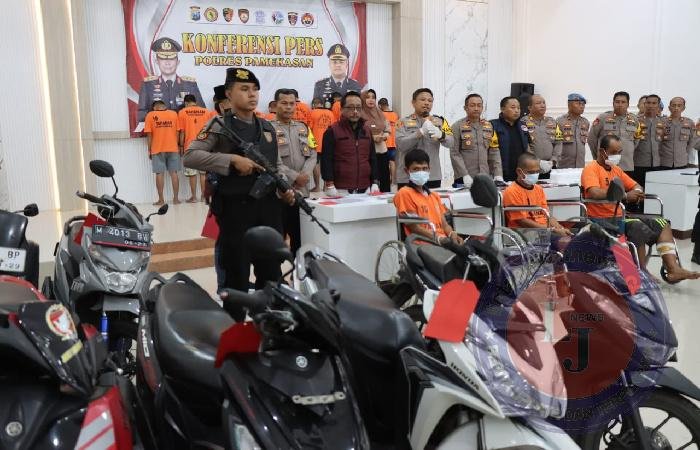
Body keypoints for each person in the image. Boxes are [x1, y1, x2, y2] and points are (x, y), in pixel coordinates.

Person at [183, 68, 295, 310]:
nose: (252, 95)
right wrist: (231, 160)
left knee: (271, 276)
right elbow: (190, 156)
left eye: (255, 89)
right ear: (229, 94)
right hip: (236, 212)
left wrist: (284, 187)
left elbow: (275, 164)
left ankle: (269, 326)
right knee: (237, 278)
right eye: (244, 89)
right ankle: (235, 329)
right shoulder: (219, 126)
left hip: (269, 211)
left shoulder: (267, 127)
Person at [581, 134, 699, 282]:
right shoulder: (591, 169)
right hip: (602, 219)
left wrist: (636, 192)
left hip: (621, 216)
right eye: (613, 152)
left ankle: (673, 269)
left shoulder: (616, 170)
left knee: (663, 224)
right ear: (602, 151)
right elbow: (594, 192)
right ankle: (642, 273)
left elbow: (636, 186)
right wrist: (625, 195)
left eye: (619, 152)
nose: (617, 155)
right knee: (637, 227)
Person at [271, 88, 317, 254]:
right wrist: (295, 177)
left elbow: (313, 153)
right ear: (275, 105)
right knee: (277, 242)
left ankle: (298, 270)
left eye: (292, 103)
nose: (289, 107)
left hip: (302, 193)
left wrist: (305, 175)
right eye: (284, 103)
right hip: (279, 194)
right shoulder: (268, 129)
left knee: (301, 240)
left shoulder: (304, 128)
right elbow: (272, 161)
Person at [393, 149, 463, 245]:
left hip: (443, 242)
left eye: (424, 168)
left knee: (473, 248)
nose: (421, 172)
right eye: (416, 169)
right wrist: (438, 239)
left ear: (429, 169)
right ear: (407, 171)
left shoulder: (434, 196)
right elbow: (415, 227)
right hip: (423, 245)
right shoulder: (404, 193)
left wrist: (452, 234)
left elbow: (445, 225)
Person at [321, 91, 379, 195]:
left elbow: (373, 158)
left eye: (358, 108)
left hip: (365, 188)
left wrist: (375, 181)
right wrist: (329, 184)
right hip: (340, 189)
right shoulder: (332, 131)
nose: (355, 111)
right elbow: (326, 160)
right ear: (342, 109)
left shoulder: (367, 131)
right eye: (351, 108)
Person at [395, 88, 454, 189]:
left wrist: (441, 135)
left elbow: (451, 143)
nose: (427, 103)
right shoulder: (402, 122)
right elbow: (401, 145)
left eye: (430, 101)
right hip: (408, 176)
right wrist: (420, 132)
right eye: (422, 99)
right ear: (413, 102)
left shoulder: (440, 122)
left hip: (432, 176)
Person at [502, 154, 571, 236]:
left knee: (573, 237)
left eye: (537, 172)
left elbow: (547, 214)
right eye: (531, 172)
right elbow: (522, 221)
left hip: (544, 231)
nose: (535, 175)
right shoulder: (511, 191)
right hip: (526, 234)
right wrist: (551, 230)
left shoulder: (538, 189)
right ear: (519, 172)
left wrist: (559, 228)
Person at [137, 37, 204, 122]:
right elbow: (141, 114)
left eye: (171, 58)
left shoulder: (190, 85)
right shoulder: (148, 85)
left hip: (184, 128)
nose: (167, 63)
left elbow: (201, 111)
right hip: (160, 128)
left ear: (177, 62)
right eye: (163, 58)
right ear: (157, 61)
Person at [450, 93, 502, 187]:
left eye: (479, 105)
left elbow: (494, 151)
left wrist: (498, 174)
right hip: (464, 178)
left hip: (485, 176)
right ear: (465, 108)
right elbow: (454, 153)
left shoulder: (489, 126)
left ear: (482, 108)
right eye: (472, 105)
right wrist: (464, 174)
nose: (476, 108)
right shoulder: (457, 126)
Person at [588, 91, 642, 174]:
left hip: (626, 165)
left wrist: (628, 150)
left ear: (628, 104)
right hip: (606, 164)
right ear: (613, 103)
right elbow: (591, 139)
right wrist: (598, 156)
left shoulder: (634, 120)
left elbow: (636, 140)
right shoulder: (603, 118)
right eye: (617, 102)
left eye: (623, 102)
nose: (620, 104)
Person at [178, 95, 217, 202]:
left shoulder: (182, 112)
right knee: (203, 173)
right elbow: (211, 131)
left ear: (186, 103)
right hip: (205, 145)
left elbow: (182, 132)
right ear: (195, 101)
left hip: (190, 146)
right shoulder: (206, 112)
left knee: (192, 174)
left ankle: (194, 197)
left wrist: (181, 146)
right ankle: (204, 196)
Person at [144, 100, 182, 205]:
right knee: (174, 173)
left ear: (155, 107)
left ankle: (161, 200)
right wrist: (176, 144)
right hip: (173, 147)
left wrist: (149, 149)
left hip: (157, 148)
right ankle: (176, 199)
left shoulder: (150, 115)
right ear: (164, 106)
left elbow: (149, 135)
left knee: (159, 173)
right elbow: (178, 132)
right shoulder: (174, 114)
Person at [520, 94, 562, 178]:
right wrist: (537, 162)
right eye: (538, 103)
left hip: (551, 166)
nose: (542, 105)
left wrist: (553, 160)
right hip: (532, 167)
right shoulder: (523, 122)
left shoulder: (552, 121)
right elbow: (524, 144)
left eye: (544, 103)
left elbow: (559, 142)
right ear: (529, 107)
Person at [491, 96, 529, 182]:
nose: (517, 110)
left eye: (518, 108)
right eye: (513, 107)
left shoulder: (523, 125)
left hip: (521, 173)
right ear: (503, 109)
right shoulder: (493, 125)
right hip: (501, 173)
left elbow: (528, 147)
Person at [361, 89, 391, 192]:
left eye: (373, 97)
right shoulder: (360, 114)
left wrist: (384, 136)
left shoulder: (380, 113)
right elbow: (358, 132)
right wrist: (373, 138)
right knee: (370, 178)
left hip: (382, 150)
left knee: (384, 176)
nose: (371, 100)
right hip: (366, 152)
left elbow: (387, 129)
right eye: (367, 97)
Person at [633, 94, 663, 188]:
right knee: (639, 192)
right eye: (648, 103)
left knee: (655, 191)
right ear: (644, 104)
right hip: (639, 164)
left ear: (658, 106)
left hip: (657, 164)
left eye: (654, 103)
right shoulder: (635, 121)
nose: (651, 105)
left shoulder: (664, 122)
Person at [659, 97, 697, 169]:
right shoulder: (661, 122)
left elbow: (691, 142)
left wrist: (684, 154)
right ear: (669, 108)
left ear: (683, 108)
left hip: (682, 162)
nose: (676, 108)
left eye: (679, 105)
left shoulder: (689, 123)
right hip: (663, 162)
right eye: (674, 105)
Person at [556, 93, 590, 169]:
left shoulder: (585, 122)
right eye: (578, 103)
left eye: (583, 104)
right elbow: (555, 143)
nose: (581, 106)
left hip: (580, 166)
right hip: (564, 166)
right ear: (569, 105)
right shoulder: (560, 122)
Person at [309, 97, 335, 192]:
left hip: (316, 143)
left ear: (314, 104)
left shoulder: (312, 112)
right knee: (327, 164)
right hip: (329, 143)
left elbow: (309, 128)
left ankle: (317, 187)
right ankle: (326, 186)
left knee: (316, 164)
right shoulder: (331, 113)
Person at [378, 97, 399, 186]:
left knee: (383, 163)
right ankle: (393, 181)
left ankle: (386, 179)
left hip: (384, 142)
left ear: (380, 105)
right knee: (392, 161)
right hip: (393, 142)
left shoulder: (381, 114)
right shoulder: (395, 114)